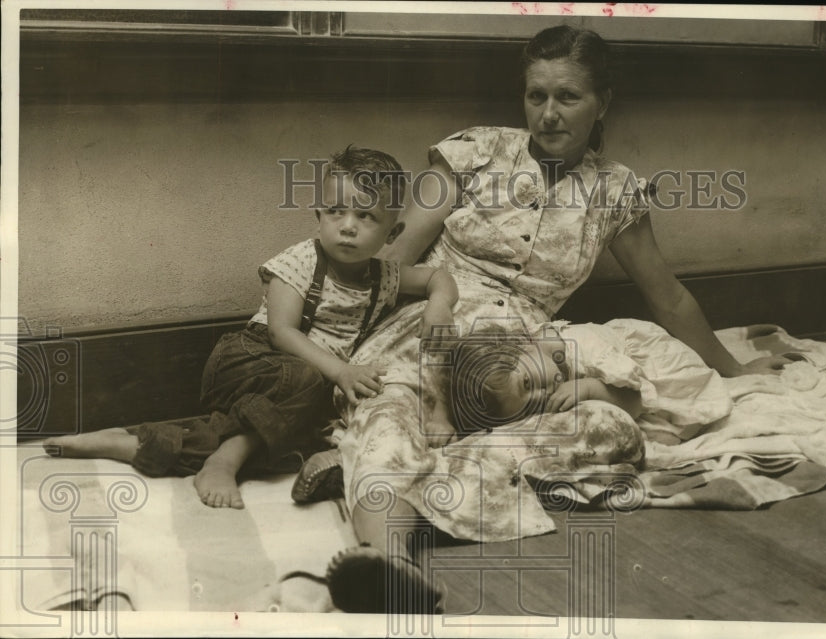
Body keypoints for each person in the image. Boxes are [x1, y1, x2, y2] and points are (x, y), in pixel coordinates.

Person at [306, 25, 794, 614]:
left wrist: (736, 368)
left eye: (568, 97)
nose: (549, 114)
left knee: (612, 430)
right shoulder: (471, 153)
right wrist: (336, 356)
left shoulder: (614, 191)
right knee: (393, 412)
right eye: (537, 96)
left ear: (603, 102)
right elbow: (392, 262)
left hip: (523, 357)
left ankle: (391, 493)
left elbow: (667, 297)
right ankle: (390, 562)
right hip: (433, 326)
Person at [42, 146, 458, 510]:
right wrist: (342, 371)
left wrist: (439, 304)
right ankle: (223, 462)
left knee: (299, 435)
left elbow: (439, 276)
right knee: (308, 385)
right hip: (250, 360)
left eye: (366, 215)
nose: (347, 225)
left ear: (393, 232)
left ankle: (134, 444)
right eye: (336, 211)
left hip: (296, 390)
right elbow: (281, 332)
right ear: (318, 215)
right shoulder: (299, 262)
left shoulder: (385, 276)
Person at [440, 319, 733, 447]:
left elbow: (637, 399)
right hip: (626, 389)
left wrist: (589, 388)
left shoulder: (586, 349)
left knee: (669, 421)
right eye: (532, 407)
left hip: (653, 371)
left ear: (521, 344)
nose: (544, 395)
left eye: (529, 383)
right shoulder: (536, 358)